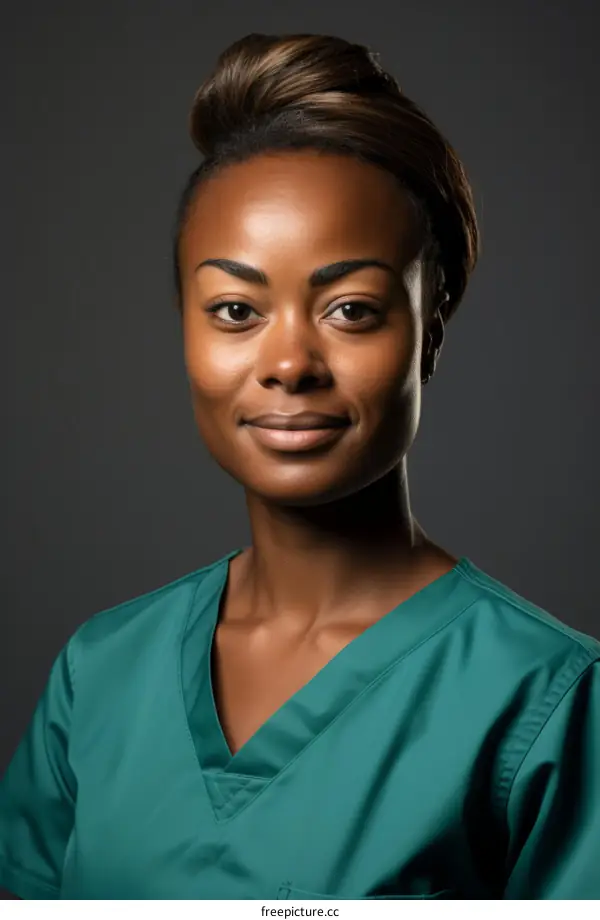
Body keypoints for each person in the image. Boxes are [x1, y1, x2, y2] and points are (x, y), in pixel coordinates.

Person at [1, 31, 599, 901]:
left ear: (430, 328)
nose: (288, 363)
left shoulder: (547, 699)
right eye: (235, 310)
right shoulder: (101, 672)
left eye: (350, 309)